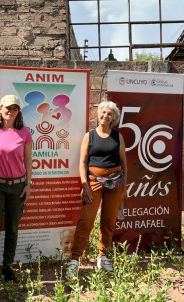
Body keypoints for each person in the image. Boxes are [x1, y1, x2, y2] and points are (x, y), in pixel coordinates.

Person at [66, 101, 128, 277]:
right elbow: (82, 162)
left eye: (109, 114)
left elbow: (123, 162)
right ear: (98, 114)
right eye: (103, 112)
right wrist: (84, 184)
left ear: (113, 118)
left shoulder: (118, 137)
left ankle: (103, 257)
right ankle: (75, 259)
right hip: (93, 182)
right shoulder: (90, 136)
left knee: (108, 221)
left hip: (115, 183)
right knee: (86, 221)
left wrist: (125, 186)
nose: (105, 116)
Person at [0, 95, 33, 284]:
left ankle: (7, 267)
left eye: (14, 108)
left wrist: (29, 184)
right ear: (0, 108)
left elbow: (28, 161)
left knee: (12, 228)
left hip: (18, 186)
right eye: (7, 107)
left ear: (18, 111)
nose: (10, 111)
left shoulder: (24, 133)